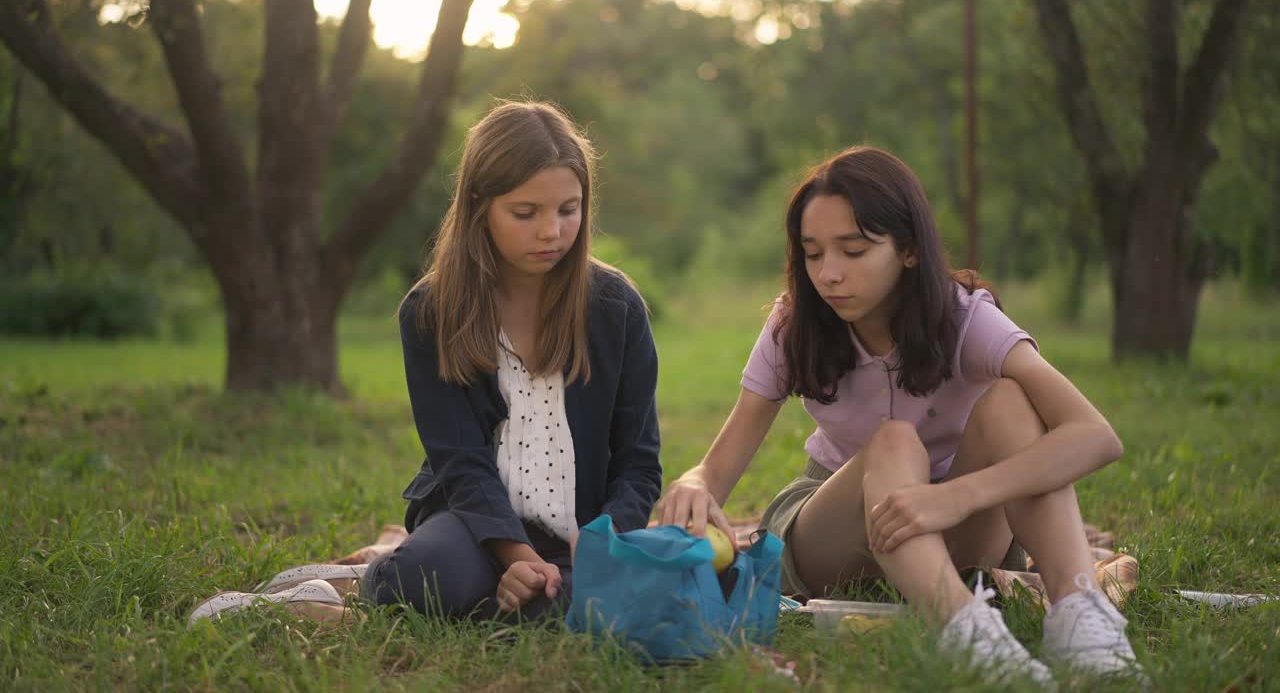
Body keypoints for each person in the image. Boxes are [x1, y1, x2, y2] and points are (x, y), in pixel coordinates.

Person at [655, 146, 1142, 685]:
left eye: (853, 251)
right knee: (894, 442)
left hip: (958, 523)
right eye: (814, 255)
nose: (829, 275)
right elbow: (717, 467)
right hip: (835, 539)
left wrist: (954, 496)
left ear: (908, 250)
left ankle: (1080, 621)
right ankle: (972, 637)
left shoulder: (966, 319)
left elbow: (1096, 436)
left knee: (1010, 403)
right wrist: (694, 484)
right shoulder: (794, 326)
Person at [189, 101, 662, 625]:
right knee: (431, 573)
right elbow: (459, 460)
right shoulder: (433, 311)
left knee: (594, 606)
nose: (551, 231)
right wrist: (516, 556)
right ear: (480, 205)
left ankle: (367, 591)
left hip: (585, 537)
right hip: (473, 522)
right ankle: (350, 590)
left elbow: (639, 463)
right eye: (526, 213)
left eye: (568, 210)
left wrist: (602, 546)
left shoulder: (616, 309)